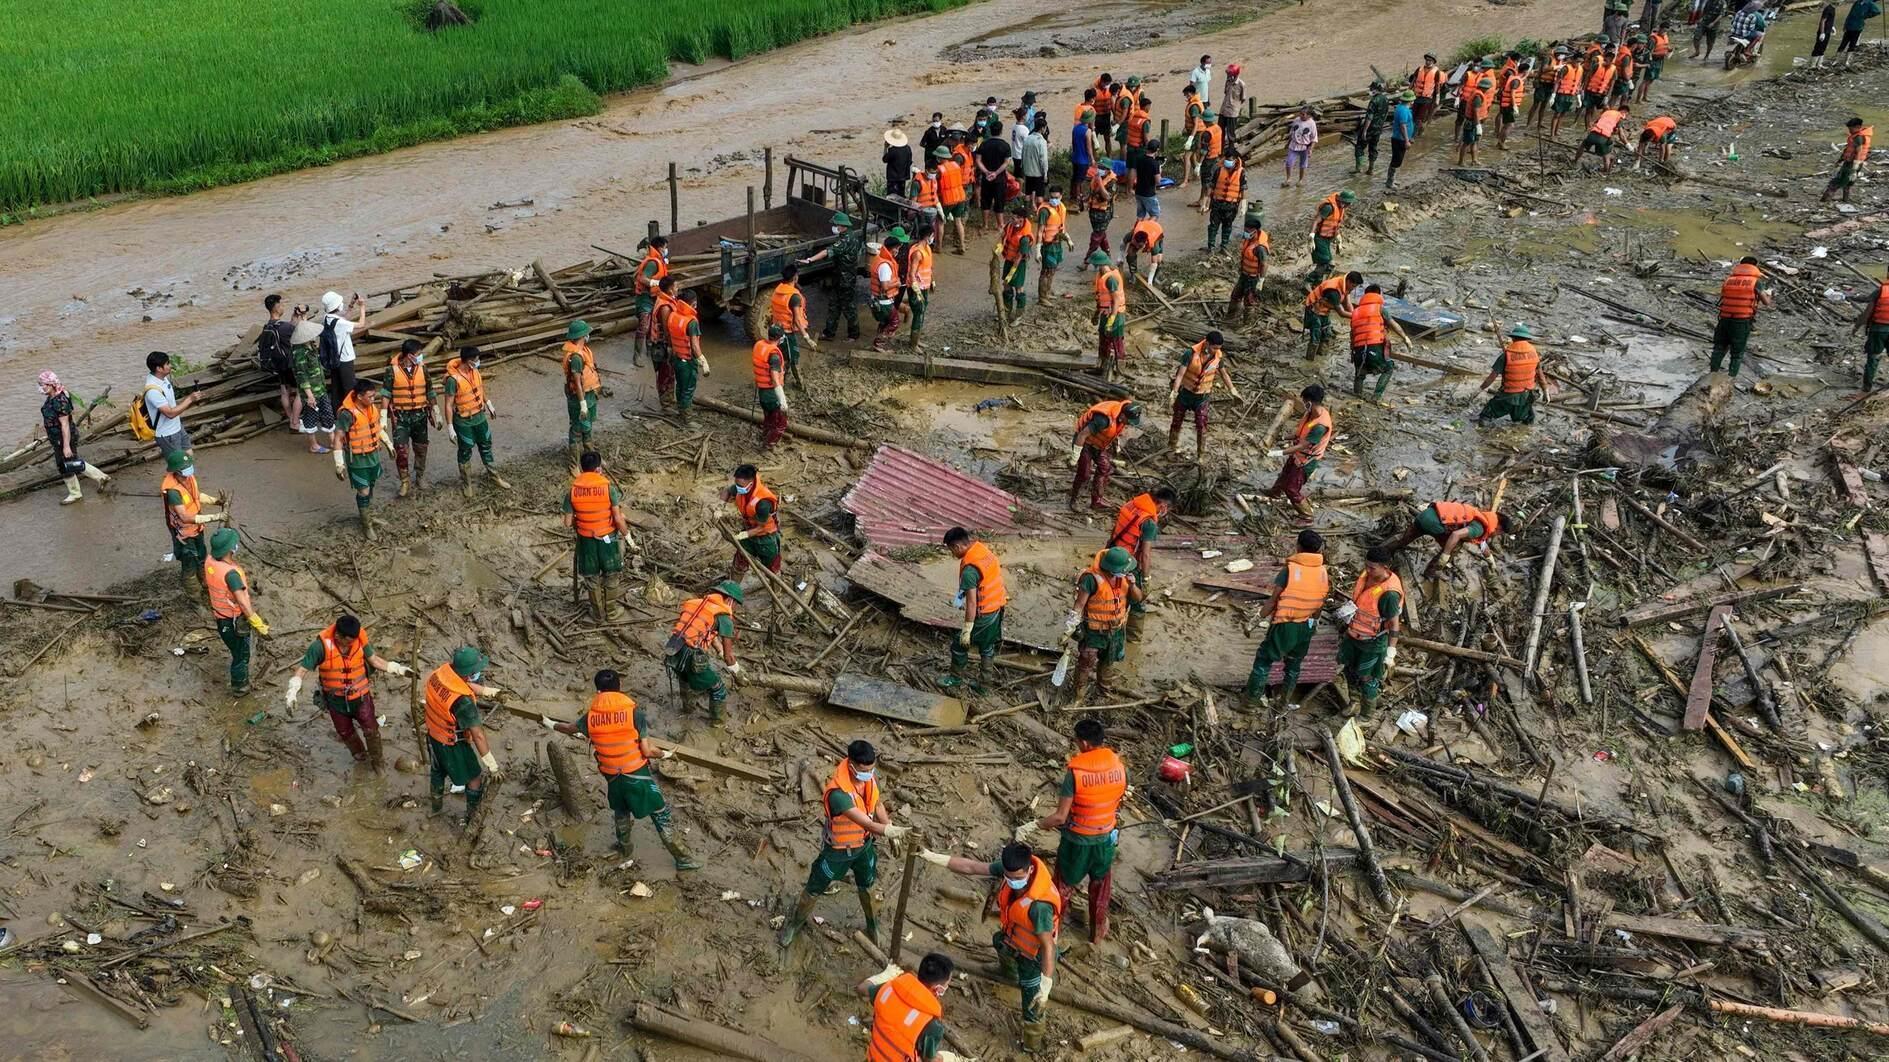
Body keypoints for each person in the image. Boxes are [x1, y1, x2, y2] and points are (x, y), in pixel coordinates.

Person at [546, 670, 700, 867]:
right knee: (660, 814)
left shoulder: (590, 718)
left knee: (621, 811)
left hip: (612, 777)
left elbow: (568, 728)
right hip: (636, 775)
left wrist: (549, 723)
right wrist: (664, 754)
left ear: (598, 691)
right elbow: (646, 750)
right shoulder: (634, 714)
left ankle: (624, 847)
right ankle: (683, 859)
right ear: (619, 688)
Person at [777, 739, 914, 946]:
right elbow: (867, 823)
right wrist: (892, 831)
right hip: (838, 852)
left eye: (871, 769)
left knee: (867, 887)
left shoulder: (869, 778)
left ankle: (872, 926)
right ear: (851, 765)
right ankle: (795, 924)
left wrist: (888, 823)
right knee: (815, 887)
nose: (868, 774)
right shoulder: (837, 794)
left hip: (864, 847)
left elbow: (876, 804)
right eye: (864, 770)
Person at [1018, 717, 1124, 943]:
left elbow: (1059, 816)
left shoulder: (1076, 773)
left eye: (1076, 740)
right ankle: (1096, 934)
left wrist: (1035, 825)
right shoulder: (1118, 766)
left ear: (1084, 743)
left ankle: (1052, 932)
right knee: (1100, 886)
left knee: (1061, 888)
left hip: (1077, 843)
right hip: (1106, 840)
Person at [287, 614, 413, 771]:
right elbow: (302, 669)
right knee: (346, 733)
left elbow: (374, 660)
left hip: (361, 697)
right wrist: (292, 691)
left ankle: (378, 763)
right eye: (348, 641)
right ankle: (360, 757)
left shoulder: (359, 638)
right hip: (336, 701)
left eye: (354, 640)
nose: (352, 644)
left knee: (371, 731)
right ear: (338, 635)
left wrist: (398, 669)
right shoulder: (320, 647)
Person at [1243, 528, 1330, 709]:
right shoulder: (1322, 572)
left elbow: (1273, 600)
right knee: (1293, 665)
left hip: (1285, 625)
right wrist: (1313, 623)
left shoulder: (1290, 571)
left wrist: (1256, 619)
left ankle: (1249, 704)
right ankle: (1283, 702)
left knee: (1263, 660)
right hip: (1307, 625)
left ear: (1298, 546)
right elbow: (1320, 602)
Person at [421, 646, 502, 823]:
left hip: (434, 735)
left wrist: (488, 692)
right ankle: (472, 817)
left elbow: (460, 683)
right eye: (476, 672)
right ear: (469, 673)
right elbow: (478, 735)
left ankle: (436, 809)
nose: (478, 674)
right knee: (473, 777)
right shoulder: (463, 702)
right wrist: (492, 765)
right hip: (452, 742)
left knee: (437, 771)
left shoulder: (441, 673)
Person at [1064, 546, 1143, 700]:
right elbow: (1079, 604)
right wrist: (1071, 624)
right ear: (1113, 569)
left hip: (1116, 630)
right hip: (1094, 631)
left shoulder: (1127, 577)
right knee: (1086, 662)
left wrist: (1133, 584)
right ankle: (1078, 694)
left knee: (1109, 661)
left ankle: (1104, 690)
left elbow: (1138, 598)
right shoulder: (1091, 579)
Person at [566, 450, 633, 620]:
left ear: (583, 468)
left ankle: (597, 614)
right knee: (611, 574)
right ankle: (611, 612)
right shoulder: (608, 488)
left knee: (592, 577)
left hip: (586, 541)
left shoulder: (572, 491)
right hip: (607, 539)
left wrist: (580, 522)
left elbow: (567, 522)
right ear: (597, 469)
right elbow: (618, 518)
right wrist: (627, 535)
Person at [858, 953, 962, 1062]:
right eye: (947, 985)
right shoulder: (932, 1025)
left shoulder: (887, 990)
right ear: (939, 989)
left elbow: (862, 988)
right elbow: (928, 1060)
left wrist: (885, 975)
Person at [1336, 547, 1402, 716]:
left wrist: (1391, 652)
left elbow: (1394, 624)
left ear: (1385, 568)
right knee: (1349, 668)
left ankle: (1367, 715)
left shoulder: (1389, 594)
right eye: (1366, 566)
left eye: (1372, 568)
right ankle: (1355, 702)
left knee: (1368, 677)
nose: (1367, 570)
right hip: (1354, 635)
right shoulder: (1367, 577)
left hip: (1372, 642)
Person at [666, 580, 743, 724]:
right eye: (737, 604)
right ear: (730, 600)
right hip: (691, 655)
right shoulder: (724, 617)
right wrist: (739, 674)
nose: (736, 608)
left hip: (673, 648)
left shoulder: (696, 604)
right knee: (718, 688)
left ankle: (687, 708)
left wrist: (719, 651)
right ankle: (718, 724)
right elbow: (729, 657)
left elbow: (705, 633)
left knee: (685, 679)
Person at [203, 528, 266, 693]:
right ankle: (240, 687)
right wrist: (256, 621)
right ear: (231, 548)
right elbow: (243, 603)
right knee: (241, 655)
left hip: (220, 616)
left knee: (235, 649)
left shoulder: (210, 561)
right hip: (233, 621)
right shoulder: (231, 575)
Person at [1381, 500, 1514, 577]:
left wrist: (1491, 560)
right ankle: (1431, 571)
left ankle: (1383, 552)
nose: (1497, 536)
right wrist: (1446, 554)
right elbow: (1456, 535)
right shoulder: (1479, 528)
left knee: (1406, 537)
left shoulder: (1482, 517)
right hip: (1435, 525)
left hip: (1425, 515)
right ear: (1499, 529)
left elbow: (1482, 544)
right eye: (1500, 534)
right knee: (1455, 545)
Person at [943, 526, 1006, 688]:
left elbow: (972, 603)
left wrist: (967, 629)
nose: (953, 554)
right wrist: (959, 598)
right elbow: (983, 582)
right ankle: (984, 685)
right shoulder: (982, 551)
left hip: (983, 614)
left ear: (957, 546)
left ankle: (955, 678)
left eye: (952, 550)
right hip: (997, 608)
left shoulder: (969, 571)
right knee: (987, 647)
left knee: (959, 645)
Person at [443, 346, 510, 497]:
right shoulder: (453, 380)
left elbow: (479, 389)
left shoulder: (475, 372)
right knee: (465, 450)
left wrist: (489, 403)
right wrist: (450, 427)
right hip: (464, 421)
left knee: (486, 445)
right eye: (476, 360)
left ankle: (494, 476)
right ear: (469, 361)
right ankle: (467, 484)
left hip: (480, 417)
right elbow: (448, 404)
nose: (478, 362)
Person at [1261, 384, 1333, 523]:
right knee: (1285, 473)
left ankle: (1307, 515)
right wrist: (1282, 438)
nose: (1303, 404)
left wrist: (1277, 453)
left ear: (1309, 402)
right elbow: (1299, 434)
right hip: (1298, 455)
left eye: (1304, 401)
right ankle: (1275, 492)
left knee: (1292, 488)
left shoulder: (1320, 426)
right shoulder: (1310, 413)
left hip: (1307, 461)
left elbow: (1302, 445)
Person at [1106, 487, 1173, 634]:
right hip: (1127, 562)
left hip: (1112, 554)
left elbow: (1116, 529)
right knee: (1138, 601)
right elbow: (1145, 555)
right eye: (1166, 508)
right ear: (1163, 505)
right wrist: (1146, 579)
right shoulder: (1148, 523)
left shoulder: (1131, 505)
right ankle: (1132, 637)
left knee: (1111, 594)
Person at [38, 371, 111, 504]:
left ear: (51, 385)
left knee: (64, 464)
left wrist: (66, 446)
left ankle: (76, 492)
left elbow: (65, 424)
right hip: (57, 437)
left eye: (42, 384)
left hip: (64, 437)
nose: (41, 387)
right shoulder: (52, 397)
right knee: (71, 460)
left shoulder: (60, 401)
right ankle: (100, 477)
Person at [1168, 332, 1240, 461]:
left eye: (1218, 348)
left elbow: (1224, 374)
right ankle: (1171, 448)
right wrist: (1174, 392)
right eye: (1214, 347)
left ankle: (1200, 455)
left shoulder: (1218, 356)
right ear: (1206, 343)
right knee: (1176, 421)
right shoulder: (1189, 353)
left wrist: (1233, 390)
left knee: (1202, 426)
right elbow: (1180, 375)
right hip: (1185, 393)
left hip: (1202, 397)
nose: (1216, 351)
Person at [159, 450, 224, 593]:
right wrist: (214, 517)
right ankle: (194, 598)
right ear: (177, 471)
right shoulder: (173, 492)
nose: (189, 471)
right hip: (184, 535)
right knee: (190, 567)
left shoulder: (188, 478)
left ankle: (205, 581)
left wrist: (216, 501)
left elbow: (196, 495)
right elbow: (184, 517)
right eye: (186, 468)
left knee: (202, 556)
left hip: (197, 529)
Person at [383, 339, 440, 497]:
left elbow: (430, 391)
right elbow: (386, 394)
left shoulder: (423, 369)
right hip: (400, 417)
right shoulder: (391, 371)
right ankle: (405, 481)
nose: (421, 356)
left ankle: (420, 476)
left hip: (420, 415)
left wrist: (436, 409)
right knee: (401, 450)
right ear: (409, 355)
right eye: (418, 354)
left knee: (421, 448)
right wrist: (382, 417)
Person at [331, 379, 387, 541]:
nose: (373, 399)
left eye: (374, 396)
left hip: (372, 454)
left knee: (371, 485)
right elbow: (338, 438)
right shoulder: (347, 414)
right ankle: (366, 525)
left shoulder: (371, 409)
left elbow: (376, 428)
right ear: (360, 396)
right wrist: (339, 463)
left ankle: (369, 515)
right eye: (370, 397)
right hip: (357, 458)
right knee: (363, 490)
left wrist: (388, 445)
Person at [1068, 399, 1140, 510]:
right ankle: (1074, 500)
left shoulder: (1120, 417)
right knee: (1084, 474)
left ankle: (1096, 500)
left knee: (1105, 468)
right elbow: (1082, 435)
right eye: (1129, 421)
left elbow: (1113, 431)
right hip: (1085, 442)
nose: (1129, 424)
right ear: (1123, 415)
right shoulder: (1103, 419)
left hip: (1099, 445)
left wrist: (1116, 444)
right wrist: (1075, 456)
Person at [1477, 324, 1553, 424]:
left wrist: (1479, 389)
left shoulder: (1506, 355)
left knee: (1486, 416)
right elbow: (1540, 374)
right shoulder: (1534, 352)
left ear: (1513, 338)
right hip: (1526, 397)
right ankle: (1523, 430)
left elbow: (1491, 378)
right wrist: (1546, 391)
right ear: (1527, 339)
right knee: (1528, 417)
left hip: (1508, 397)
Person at [807, 211, 865, 341]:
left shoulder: (845, 240)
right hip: (840, 277)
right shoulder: (851, 236)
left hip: (845, 280)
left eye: (836, 225)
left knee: (848, 308)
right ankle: (829, 333)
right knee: (834, 305)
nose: (835, 227)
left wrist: (811, 259)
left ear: (842, 226)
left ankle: (853, 334)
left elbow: (827, 252)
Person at [1712, 256, 1774, 376]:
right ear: (1755, 266)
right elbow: (1766, 302)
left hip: (1724, 318)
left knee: (1719, 348)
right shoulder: (1756, 282)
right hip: (1742, 321)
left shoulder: (1728, 280)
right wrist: (1770, 295)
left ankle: (1712, 374)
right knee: (1737, 353)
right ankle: (1731, 378)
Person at [1349, 284, 1410, 401]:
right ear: (1378, 294)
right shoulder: (1380, 309)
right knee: (1388, 368)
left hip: (1358, 350)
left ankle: (1357, 396)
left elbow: (1352, 334)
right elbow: (1393, 325)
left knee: (1360, 373)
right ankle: (1376, 397)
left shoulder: (1355, 312)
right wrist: (1405, 337)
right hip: (1374, 347)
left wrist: (1353, 351)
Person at [722, 463, 782, 576]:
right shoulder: (740, 488)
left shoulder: (763, 503)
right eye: (737, 484)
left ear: (751, 483)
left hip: (765, 537)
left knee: (771, 568)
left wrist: (743, 535)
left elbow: (761, 528)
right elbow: (727, 491)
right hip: (748, 528)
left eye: (741, 485)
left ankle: (776, 589)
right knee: (740, 562)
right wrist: (719, 506)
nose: (738, 488)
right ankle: (732, 589)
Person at [141, 351, 199, 461]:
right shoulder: (153, 391)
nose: (170, 366)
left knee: (189, 456)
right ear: (159, 368)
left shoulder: (163, 378)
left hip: (177, 427)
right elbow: (170, 413)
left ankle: (187, 477)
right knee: (179, 466)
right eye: (167, 364)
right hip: (167, 435)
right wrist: (190, 399)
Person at [665, 289, 711, 424]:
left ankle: (680, 410)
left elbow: (669, 336)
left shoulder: (673, 315)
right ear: (694, 304)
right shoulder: (692, 322)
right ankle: (687, 418)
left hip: (676, 357)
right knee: (688, 389)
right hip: (687, 361)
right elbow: (695, 346)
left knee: (679, 385)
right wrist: (703, 361)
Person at [562, 320, 601, 466]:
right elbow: (577, 382)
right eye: (586, 334)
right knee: (577, 430)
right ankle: (574, 465)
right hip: (579, 398)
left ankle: (590, 457)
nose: (588, 336)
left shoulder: (584, 351)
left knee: (588, 426)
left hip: (589, 394)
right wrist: (582, 404)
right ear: (581, 336)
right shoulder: (576, 358)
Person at [769, 263, 814, 389]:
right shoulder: (794, 297)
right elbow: (798, 319)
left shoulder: (778, 290)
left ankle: (779, 379)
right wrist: (807, 337)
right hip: (787, 333)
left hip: (776, 329)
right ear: (795, 277)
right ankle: (800, 384)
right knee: (793, 358)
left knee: (783, 357)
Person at [259, 294, 300, 431]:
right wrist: (301, 318)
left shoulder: (267, 327)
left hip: (278, 365)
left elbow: (286, 330)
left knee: (284, 391)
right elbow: (297, 333)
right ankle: (295, 423)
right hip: (289, 363)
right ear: (276, 308)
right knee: (301, 392)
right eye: (281, 305)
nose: (283, 307)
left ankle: (290, 419)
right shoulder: (285, 327)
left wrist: (293, 320)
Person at [1304, 270, 1362, 360]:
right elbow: (1341, 313)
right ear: (1349, 281)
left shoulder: (1344, 284)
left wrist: (1355, 315)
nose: (1353, 289)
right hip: (1313, 309)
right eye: (1353, 286)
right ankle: (1309, 360)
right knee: (1316, 335)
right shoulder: (1334, 290)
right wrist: (1358, 317)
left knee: (1326, 333)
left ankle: (1321, 356)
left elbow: (1347, 304)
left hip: (1324, 310)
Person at [319, 290, 368, 399]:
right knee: (349, 388)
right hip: (345, 359)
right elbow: (361, 324)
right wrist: (362, 307)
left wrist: (351, 304)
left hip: (333, 358)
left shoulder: (326, 318)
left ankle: (337, 410)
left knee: (336, 388)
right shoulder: (340, 323)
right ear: (337, 305)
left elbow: (345, 319)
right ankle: (350, 411)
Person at [632, 236, 670, 368]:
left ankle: (649, 351)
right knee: (644, 326)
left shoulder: (660, 261)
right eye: (665, 247)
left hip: (653, 297)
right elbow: (642, 278)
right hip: (645, 298)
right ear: (660, 248)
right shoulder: (653, 263)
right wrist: (657, 283)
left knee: (653, 325)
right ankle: (637, 356)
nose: (666, 250)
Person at [1091, 250, 1128, 378]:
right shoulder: (1101, 275)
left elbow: (1116, 300)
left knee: (1116, 340)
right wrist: (1096, 314)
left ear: (1100, 264)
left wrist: (1112, 319)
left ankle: (1120, 369)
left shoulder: (1110, 278)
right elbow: (1100, 298)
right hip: (1105, 313)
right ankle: (1102, 363)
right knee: (1103, 338)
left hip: (1116, 314)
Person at [996, 204, 1034, 323]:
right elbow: (1003, 238)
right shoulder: (1010, 226)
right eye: (1012, 218)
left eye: (1014, 218)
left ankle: (1018, 315)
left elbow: (1019, 257)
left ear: (1021, 219)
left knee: (1018, 288)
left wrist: (1011, 273)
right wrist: (997, 250)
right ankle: (1006, 312)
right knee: (1006, 285)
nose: (1012, 220)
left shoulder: (1025, 239)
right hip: (1008, 259)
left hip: (1018, 264)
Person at [868, 231, 906, 350]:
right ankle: (879, 343)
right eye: (897, 249)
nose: (897, 252)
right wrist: (897, 283)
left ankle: (879, 338)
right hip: (884, 301)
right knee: (894, 322)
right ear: (893, 248)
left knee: (884, 322)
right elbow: (885, 286)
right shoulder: (885, 266)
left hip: (877, 299)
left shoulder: (879, 258)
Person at [1852, 273, 1889, 392]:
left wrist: (1857, 326)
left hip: (1878, 329)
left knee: (1873, 357)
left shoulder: (1881, 291)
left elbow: (1867, 313)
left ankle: (1867, 387)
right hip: (1880, 329)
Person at [647, 276, 680, 408]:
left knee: (667, 372)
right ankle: (666, 402)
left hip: (659, 343)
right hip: (662, 345)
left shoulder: (662, 299)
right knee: (666, 373)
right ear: (670, 289)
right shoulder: (665, 307)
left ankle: (668, 399)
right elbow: (667, 330)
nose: (678, 289)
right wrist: (672, 347)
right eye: (676, 287)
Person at [1033, 190, 1071, 305]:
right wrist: (1038, 250)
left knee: (1053, 269)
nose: (1054, 199)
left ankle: (1047, 291)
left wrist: (1068, 240)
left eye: (1057, 197)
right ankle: (1042, 297)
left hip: (1057, 243)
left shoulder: (1060, 208)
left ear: (1061, 196)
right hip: (1047, 245)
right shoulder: (1045, 211)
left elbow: (1061, 227)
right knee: (1046, 271)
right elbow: (1040, 231)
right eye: (1052, 197)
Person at [1823, 117, 1874, 203]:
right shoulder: (1855, 136)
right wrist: (1840, 160)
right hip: (1851, 162)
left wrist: (1854, 168)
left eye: (1851, 129)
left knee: (1838, 181)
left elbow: (1859, 152)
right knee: (1848, 182)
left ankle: (1825, 200)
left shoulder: (1859, 138)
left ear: (1857, 127)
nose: (1849, 131)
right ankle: (1845, 200)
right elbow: (1848, 149)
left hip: (1853, 163)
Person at [1229, 215, 1270, 320]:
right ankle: (1231, 316)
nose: (1246, 233)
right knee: (1235, 295)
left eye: (1248, 231)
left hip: (1253, 278)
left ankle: (1247, 322)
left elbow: (1264, 264)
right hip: (1244, 275)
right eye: (1245, 230)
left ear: (1255, 231)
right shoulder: (1249, 240)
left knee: (1249, 301)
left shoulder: (1260, 248)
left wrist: (1261, 280)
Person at [1205, 150, 1247, 253]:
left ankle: (1224, 246)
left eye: (1231, 160)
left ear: (1236, 160)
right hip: (1217, 203)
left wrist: (1243, 203)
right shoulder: (1218, 169)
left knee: (1227, 226)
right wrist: (1206, 200)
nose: (1228, 161)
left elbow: (1243, 188)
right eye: (1227, 159)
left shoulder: (1241, 172)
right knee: (1213, 225)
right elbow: (1212, 185)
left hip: (1231, 205)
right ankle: (1211, 247)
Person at [974, 121, 1012, 233]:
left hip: (986, 178)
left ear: (990, 130)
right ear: (1001, 131)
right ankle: (1000, 225)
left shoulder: (984, 144)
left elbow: (978, 160)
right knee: (999, 201)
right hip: (999, 178)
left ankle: (985, 224)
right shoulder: (1005, 145)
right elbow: (1006, 163)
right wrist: (996, 173)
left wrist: (986, 172)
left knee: (986, 201)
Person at [1309, 190, 1354, 279]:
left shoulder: (1341, 208)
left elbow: (1334, 224)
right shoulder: (1329, 207)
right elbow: (1316, 220)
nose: (1349, 206)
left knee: (1324, 264)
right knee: (1327, 263)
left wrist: (1338, 239)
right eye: (1348, 203)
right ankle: (1309, 281)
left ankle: (1317, 283)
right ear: (1343, 201)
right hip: (1319, 238)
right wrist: (1311, 235)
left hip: (1327, 239)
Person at [906, 224, 937, 351]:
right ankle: (913, 344)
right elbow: (912, 273)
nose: (933, 237)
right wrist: (916, 290)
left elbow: (929, 268)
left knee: (922, 312)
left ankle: (917, 340)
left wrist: (932, 281)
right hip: (917, 288)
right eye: (933, 235)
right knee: (918, 313)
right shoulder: (918, 252)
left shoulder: (927, 249)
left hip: (924, 286)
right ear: (928, 236)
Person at [1578, 104, 1632, 173]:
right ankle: (1605, 171)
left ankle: (1575, 161)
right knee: (1606, 155)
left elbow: (1595, 122)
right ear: (1624, 111)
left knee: (1583, 146)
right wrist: (1628, 145)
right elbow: (1621, 135)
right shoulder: (1619, 116)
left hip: (1594, 132)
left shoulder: (1606, 113)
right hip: (1604, 137)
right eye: (1626, 114)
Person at [1083, 162, 1117, 262]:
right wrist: (1085, 199)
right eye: (1099, 167)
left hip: (1104, 213)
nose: (1099, 169)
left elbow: (1107, 196)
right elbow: (1092, 192)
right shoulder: (1096, 177)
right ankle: (1108, 257)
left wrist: (1100, 183)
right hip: (1093, 212)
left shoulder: (1112, 182)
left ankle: (1087, 260)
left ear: (1107, 170)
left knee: (1096, 237)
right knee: (1101, 234)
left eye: (1102, 168)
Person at [1354, 82, 1391, 174]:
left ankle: (1359, 169)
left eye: (1371, 88)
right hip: (1378, 129)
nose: (1370, 90)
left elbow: (1369, 117)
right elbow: (1386, 113)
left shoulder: (1374, 101)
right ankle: (1371, 169)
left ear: (1375, 89)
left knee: (1359, 147)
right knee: (1373, 147)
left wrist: (1365, 131)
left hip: (1370, 128)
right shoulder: (1386, 99)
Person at [1457, 68, 1491, 165]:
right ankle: (1461, 161)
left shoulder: (1477, 93)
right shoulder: (1478, 97)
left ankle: (1474, 160)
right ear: (1484, 88)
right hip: (1472, 122)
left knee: (1475, 142)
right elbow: (1475, 112)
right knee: (1467, 142)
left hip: (1475, 122)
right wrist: (1478, 125)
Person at [1191, 111, 1224, 208]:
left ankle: (1206, 204)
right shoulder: (1218, 128)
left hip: (1208, 160)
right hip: (1216, 158)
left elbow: (1204, 151)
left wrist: (1198, 164)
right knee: (1208, 181)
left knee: (1206, 182)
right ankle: (1201, 200)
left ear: (1206, 121)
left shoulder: (1207, 133)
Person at [1495, 60, 1529, 150]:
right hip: (1509, 106)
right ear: (1525, 71)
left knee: (1506, 124)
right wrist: (1514, 106)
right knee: (1509, 125)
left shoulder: (1515, 78)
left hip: (1506, 105)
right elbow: (1512, 94)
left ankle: (1499, 142)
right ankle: (1501, 143)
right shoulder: (1516, 81)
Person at [1550, 50, 1584, 138]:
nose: (1578, 64)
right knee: (1557, 113)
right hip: (1561, 94)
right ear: (1573, 60)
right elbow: (1557, 81)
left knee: (1563, 113)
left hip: (1571, 94)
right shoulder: (1565, 68)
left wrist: (1578, 97)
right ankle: (1552, 134)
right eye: (1577, 61)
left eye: (1580, 62)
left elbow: (1578, 83)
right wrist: (1553, 95)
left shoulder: (1580, 69)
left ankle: (1557, 131)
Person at [1386, 90, 1417, 189]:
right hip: (1399, 139)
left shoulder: (1402, 108)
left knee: (1398, 160)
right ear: (1411, 101)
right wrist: (1407, 140)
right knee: (1396, 161)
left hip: (1400, 138)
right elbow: (1402, 126)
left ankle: (1392, 179)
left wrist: (1410, 137)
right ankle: (1389, 182)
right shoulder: (1403, 110)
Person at [1121, 94, 1154, 183]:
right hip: (1138, 148)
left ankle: (1127, 187)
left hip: (1130, 145)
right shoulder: (1145, 121)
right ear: (1146, 106)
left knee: (1129, 166)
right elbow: (1146, 138)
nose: (1149, 108)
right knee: (1134, 168)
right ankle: (1130, 189)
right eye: (1149, 106)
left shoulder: (1133, 116)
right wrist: (1150, 149)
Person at [1179, 85, 1207, 190]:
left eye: (1186, 94)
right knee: (1193, 154)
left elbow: (1195, 124)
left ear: (1190, 93)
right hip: (1196, 131)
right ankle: (1197, 175)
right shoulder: (1194, 103)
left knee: (1186, 156)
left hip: (1197, 133)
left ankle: (1185, 180)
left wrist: (1190, 138)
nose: (1185, 96)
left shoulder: (1194, 107)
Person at [1284, 106, 1318, 187]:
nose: (1301, 116)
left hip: (1304, 147)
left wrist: (1311, 149)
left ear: (1309, 115)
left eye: (1303, 114)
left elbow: (1314, 138)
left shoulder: (1312, 124)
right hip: (1294, 145)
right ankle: (1288, 179)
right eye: (1300, 114)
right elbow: (1292, 133)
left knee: (1303, 164)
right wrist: (1287, 143)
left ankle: (1301, 180)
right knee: (1289, 162)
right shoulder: (1296, 120)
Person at [1070, 111, 1100, 201]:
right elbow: (1089, 147)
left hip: (1075, 157)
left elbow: (1073, 143)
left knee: (1075, 177)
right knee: (1080, 180)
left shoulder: (1075, 128)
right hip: (1083, 159)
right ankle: (1079, 196)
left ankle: (1073, 194)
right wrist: (1092, 159)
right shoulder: (1087, 131)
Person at [1124, 217, 1164, 284]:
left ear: (1145, 243)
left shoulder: (1153, 243)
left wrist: (1149, 281)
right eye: (1136, 244)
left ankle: (1153, 278)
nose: (1137, 247)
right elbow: (1123, 243)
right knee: (1130, 253)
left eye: (1139, 246)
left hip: (1157, 232)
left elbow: (1154, 262)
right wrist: (1120, 258)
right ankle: (1133, 275)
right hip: (1144, 227)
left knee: (1158, 260)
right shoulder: (1132, 234)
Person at [1411, 53, 1444, 132]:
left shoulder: (1436, 72)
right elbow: (1413, 81)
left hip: (1427, 98)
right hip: (1416, 96)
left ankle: (1415, 134)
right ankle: (1412, 131)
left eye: (1430, 60)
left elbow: (1437, 85)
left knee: (1420, 118)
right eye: (1427, 60)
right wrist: (1409, 90)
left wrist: (1437, 97)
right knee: (1413, 116)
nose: (1428, 62)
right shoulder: (1419, 69)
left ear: (1433, 61)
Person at [1021, 116, 1051, 200]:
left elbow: (1023, 154)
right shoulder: (1042, 142)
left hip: (1028, 171)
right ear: (1042, 128)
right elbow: (1043, 160)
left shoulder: (1027, 138)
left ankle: (1027, 210)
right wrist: (1045, 174)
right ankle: (1038, 212)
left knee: (1028, 192)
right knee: (1039, 194)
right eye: (1045, 127)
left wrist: (1023, 168)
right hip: (1038, 173)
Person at [1131, 143, 1163, 221]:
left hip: (1138, 192)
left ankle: (1135, 231)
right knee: (1155, 214)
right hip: (1149, 194)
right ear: (1157, 150)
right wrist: (1160, 171)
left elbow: (1133, 173)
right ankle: (1144, 230)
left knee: (1140, 216)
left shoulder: (1139, 158)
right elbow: (1158, 181)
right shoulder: (1155, 163)